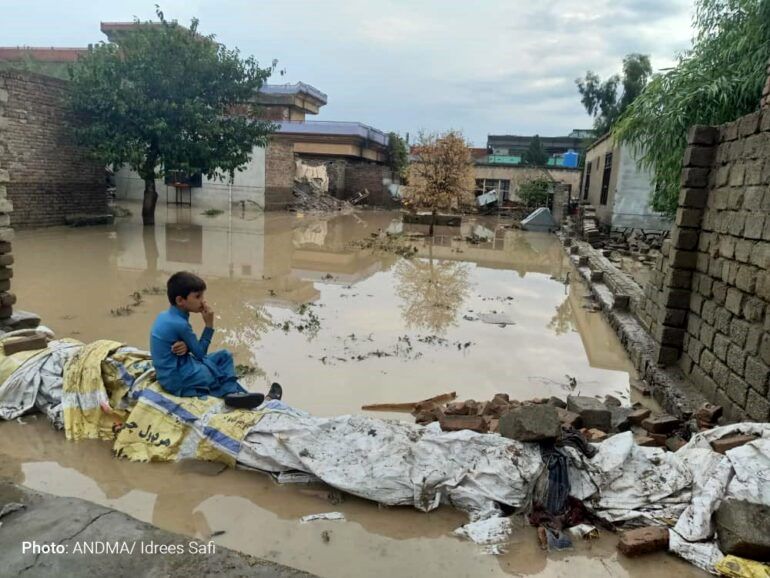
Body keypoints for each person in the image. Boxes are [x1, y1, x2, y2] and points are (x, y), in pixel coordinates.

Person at [150, 271, 281, 409]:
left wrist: (187, 347)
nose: (203, 301)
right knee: (215, 374)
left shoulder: (164, 315)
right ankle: (251, 400)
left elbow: (178, 347)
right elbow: (201, 355)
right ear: (180, 301)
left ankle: (235, 395)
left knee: (224, 356)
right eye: (198, 296)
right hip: (176, 379)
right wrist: (209, 325)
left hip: (179, 367)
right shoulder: (180, 324)